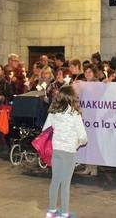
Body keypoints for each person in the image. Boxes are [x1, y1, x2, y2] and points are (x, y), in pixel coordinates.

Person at [43, 85, 87, 218]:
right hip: (69, 152)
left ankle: (51, 211)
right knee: (65, 183)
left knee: (55, 181)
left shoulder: (53, 113)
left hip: (56, 150)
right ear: (72, 97)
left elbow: (45, 130)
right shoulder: (75, 115)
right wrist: (77, 143)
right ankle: (64, 213)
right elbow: (84, 138)